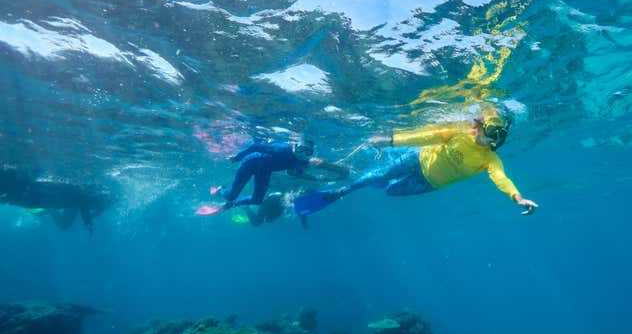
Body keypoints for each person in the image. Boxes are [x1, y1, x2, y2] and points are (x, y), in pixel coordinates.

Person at [294, 109, 538, 216]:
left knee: (390, 190)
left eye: (497, 138)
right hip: (417, 158)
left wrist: (517, 197)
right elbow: (424, 136)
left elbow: (501, 178)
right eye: (489, 133)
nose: (492, 140)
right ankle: (341, 192)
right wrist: (390, 140)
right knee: (378, 177)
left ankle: (378, 176)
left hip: (428, 183)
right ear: (480, 127)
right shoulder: (459, 132)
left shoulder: (490, 159)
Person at [205, 138, 349, 215]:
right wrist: (237, 157)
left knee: (257, 200)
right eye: (300, 149)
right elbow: (255, 146)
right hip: (249, 164)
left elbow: (294, 173)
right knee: (231, 195)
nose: (302, 154)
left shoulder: (299, 161)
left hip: (264, 171)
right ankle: (220, 190)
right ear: (294, 145)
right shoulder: (282, 148)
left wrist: (318, 178)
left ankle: (231, 205)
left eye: (307, 152)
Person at [0, 166, 113, 231]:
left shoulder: (83, 195)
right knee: (15, 195)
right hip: (43, 195)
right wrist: (88, 222)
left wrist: (88, 221)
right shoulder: (83, 194)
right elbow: (84, 202)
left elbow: (85, 204)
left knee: (15, 196)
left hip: (43, 197)